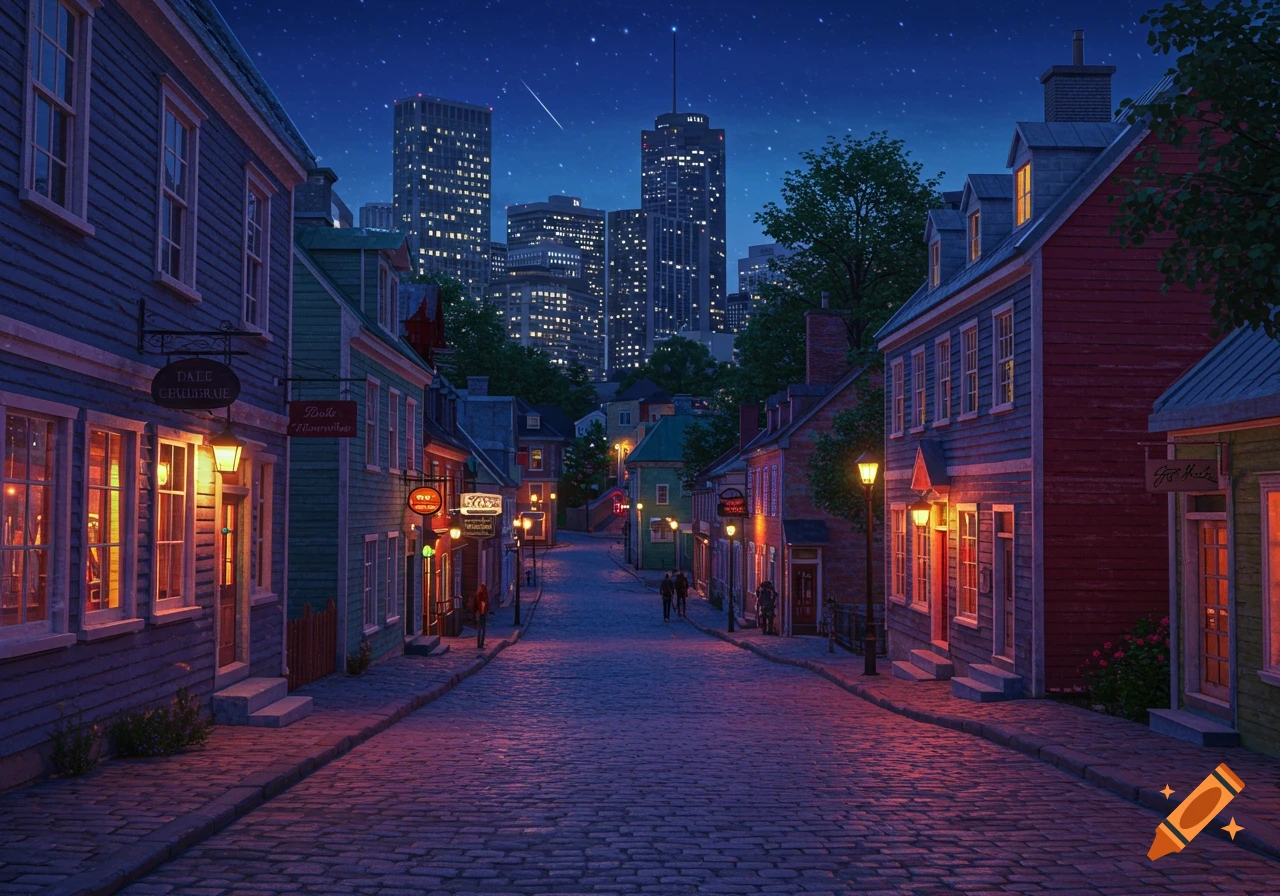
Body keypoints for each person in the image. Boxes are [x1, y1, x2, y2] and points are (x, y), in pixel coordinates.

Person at [475, 583, 490, 649]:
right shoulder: (486, 596)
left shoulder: (479, 596)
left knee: (479, 629)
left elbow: (476, 604)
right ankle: (481, 643)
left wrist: (476, 611)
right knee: (483, 629)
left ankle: (479, 644)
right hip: (483, 613)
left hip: (480, 613)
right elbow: (488, 604)